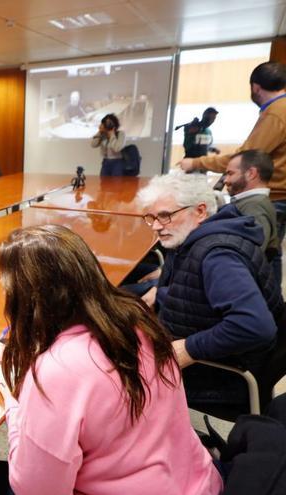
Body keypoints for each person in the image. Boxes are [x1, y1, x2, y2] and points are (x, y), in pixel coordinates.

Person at [0, 225, 221, 495]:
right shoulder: (136, 322)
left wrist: (16, 400)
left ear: (29, 298)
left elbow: (35, 490)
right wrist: (25, 360)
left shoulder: (57, 372)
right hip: (195, 479)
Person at [137, 171, 283, 410]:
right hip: (212, 357)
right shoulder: (195, 238)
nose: (156, 226)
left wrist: (188, 349)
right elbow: (196, 289)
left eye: (165, 216)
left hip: (221, 378)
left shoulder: (218, 256)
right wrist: (161, 292)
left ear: (201, 211)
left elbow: (255, 326)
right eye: (151, 217)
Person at [179, 62, 286, 250]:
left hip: (275, 195)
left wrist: (196, 162)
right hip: (278, 195)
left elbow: (245, 158)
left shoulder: (277, 113)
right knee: (270, 249)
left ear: (255, 87)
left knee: (257, 253)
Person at [225, 149, 280, 277]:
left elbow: (250, 253)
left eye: (230, 173)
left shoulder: (254, 206)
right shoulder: (253, 203)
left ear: (251, 173)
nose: (225, 180)